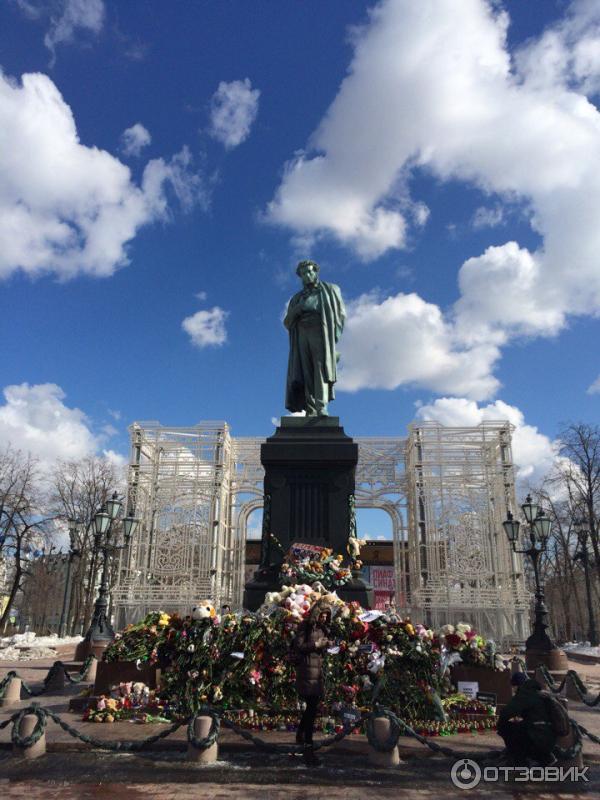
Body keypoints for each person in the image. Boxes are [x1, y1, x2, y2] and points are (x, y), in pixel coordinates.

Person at [284, 260, 346, 416]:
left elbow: (341, 314)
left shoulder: (331, 290)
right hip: (302, 333)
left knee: (320, 368)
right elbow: (287, 322)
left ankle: (320, 406)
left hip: (321, 330)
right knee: (306, 371)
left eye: (310, 272)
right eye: (304, 273)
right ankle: (310, 409)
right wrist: (297, 310)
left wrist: (333, 340)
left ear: (316, 272)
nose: (307, 275)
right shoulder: (296, 298)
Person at [291, 601, 332, 766]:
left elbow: (320, 648)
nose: (324, 617)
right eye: (322, 614)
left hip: (317, 671)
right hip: (307, 671)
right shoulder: (305, 627)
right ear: (316, 613)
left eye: (326, 615)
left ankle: (301, 733)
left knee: (312, 706)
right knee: (312, 706)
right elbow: (299, 645)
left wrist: (325, 646)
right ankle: (307, 740)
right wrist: (316, 644)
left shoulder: (323, 628)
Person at [496, 672, 557, 766]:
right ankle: (544, 757)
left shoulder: (524, 694)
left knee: (505, 727)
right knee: (521, 726)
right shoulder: (538, 692)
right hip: (550, 734)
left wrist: (500, 724)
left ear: (516, 685)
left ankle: (521, 760)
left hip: (537, 735)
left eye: (513, 686)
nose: (513, 689)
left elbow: (506, 713)